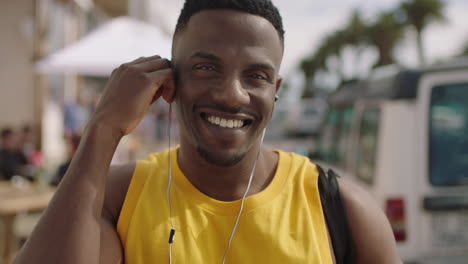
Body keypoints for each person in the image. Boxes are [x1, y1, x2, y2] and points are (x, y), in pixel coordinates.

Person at [13, 1, 400, 263]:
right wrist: (103, 128)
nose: (232, 95)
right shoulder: (117, 198)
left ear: (275, 91)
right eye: (206, 68)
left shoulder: (343, 210)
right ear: (169, 78)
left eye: (257, 76)